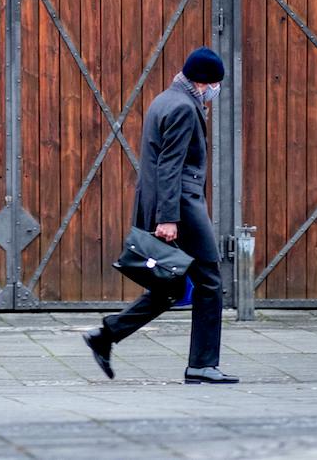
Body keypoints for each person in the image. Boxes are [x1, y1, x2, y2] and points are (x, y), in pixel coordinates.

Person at [82, 46, 239, 385]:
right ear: (205, 82)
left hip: (170, 204)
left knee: (171, 286)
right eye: (215, 85)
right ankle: (202, 365)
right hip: (182, 206)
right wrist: (167, 218)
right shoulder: (183, 107)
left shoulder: (166, 99)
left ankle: (106, 335)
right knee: (210, 282)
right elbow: (169, 166)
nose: (216, 91)